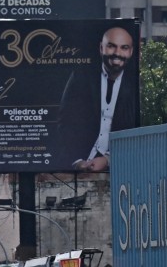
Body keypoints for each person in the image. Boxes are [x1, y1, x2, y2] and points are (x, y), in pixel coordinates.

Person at [57, 24, 140, 172]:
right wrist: (77, 161)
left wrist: (108, 159)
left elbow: (138, 136)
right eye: (111, 46)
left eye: (124, 48)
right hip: (79, 165)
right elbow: (65, 122)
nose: (117, 53)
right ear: (101, 48)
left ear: (131, 51)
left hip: (122, 169)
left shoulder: (135, 84)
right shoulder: (81, 77)